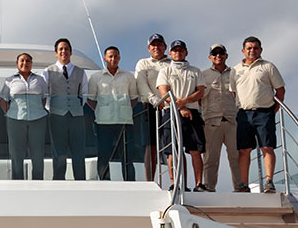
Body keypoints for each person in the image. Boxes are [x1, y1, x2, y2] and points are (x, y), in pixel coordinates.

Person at [231, 36, 285, 193]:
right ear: (243, 50)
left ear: (260, 50)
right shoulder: (235, 70)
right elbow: (234, 93)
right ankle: (243, 185)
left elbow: (280, 91)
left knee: (267, 147)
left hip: (264, 112)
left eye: (255, 48)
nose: (252, 51)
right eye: (249, 48)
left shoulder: (268, 67)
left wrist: (272, 111)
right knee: (244, 150)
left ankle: (269, 181)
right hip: (243, 114)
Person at [156, 40, 208, 191]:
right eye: (175, 50)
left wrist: (185, 102)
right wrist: (180, 108)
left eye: (181, 50)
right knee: (173, 150)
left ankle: (199, 184)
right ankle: (177, 184)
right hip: (171, 112)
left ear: (186, 52)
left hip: (192, 113)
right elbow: (164, 93)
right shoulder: (165, 71)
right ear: (170, 53)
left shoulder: (195, 71)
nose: (178, 53)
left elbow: (200, 92)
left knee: (196, 150)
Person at [87, 46, 139, 181]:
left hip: (125, 121)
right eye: (110, 56)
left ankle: (130, 184)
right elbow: (90, 100)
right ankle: (105, 182)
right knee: (104, 155)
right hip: (103, 122)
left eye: (116, 56)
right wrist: (102, 110)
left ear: (119, 58)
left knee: (127, 155)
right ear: (105, 58)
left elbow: (134, 98)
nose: (113, 59)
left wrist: (123, 109)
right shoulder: (96, 77)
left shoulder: (128, 76)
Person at [43, 38, 89, 180]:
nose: (64, 51)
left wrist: (76, 107)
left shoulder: (81, 72)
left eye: (66, 49)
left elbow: (85, 93)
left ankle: (80, 182)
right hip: (56, 116)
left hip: (76, 116)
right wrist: (53, 108)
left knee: (78, 152)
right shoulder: (47, 71)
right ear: (56, 53)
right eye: (61, 49)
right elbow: (45, 94)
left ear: (71, 52)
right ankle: (58, 182)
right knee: (58, 153)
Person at [0, 53, 48, 180]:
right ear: (17, 63)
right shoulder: (10, 80)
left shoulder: (40, 80)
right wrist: (10, 112)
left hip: (38, 120)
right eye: (22, 60)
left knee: (37, 154)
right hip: (15, 120)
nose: (25, 63)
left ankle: (38, 184)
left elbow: (44, 98)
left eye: (28, 61)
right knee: (16, 155)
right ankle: (17, 184)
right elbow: (3, 99)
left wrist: (38, 110)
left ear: (31, 63)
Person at [201, 43, 242, 192]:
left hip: (232, 120)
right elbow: (198, 97)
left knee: (236, 156)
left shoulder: (235, 73)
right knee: (211, 158)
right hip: (212, 121)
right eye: (214, 53)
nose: (218, 56)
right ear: (210, 57)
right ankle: (209, 187)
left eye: (221, 53)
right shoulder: (203, 74)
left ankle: (240, 186)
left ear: (226, 55)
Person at [135, 33, 171, 181]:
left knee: (171, 145)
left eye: (159, 44)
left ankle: (174, 181)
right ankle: (150, 181)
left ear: (165, 47)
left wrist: (169, 101)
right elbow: (141, 84)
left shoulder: (172, 63)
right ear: (149, 48)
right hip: (150, 107)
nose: (156, 47)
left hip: (170, 108)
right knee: (151, 147)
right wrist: (154, 99)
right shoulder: (143, 63)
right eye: (153, 45)